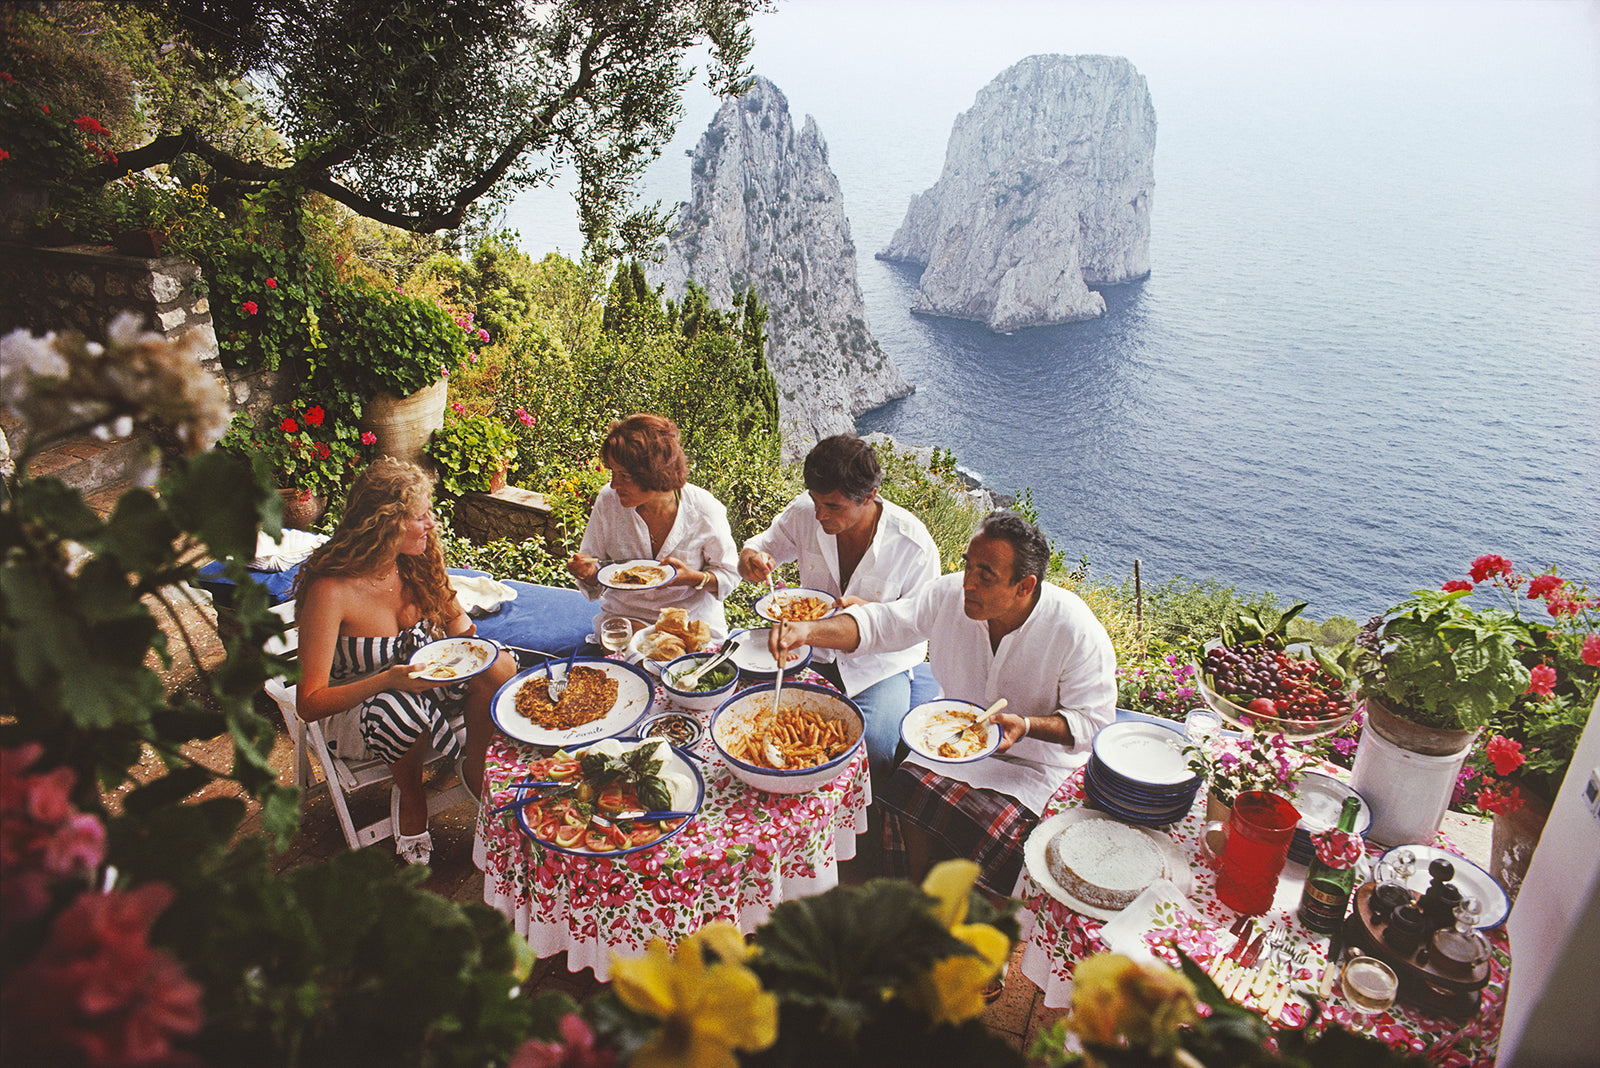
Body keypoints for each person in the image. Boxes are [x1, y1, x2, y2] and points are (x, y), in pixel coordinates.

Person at [771, 510, 1116, 898]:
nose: (968, 583)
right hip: (949, 739)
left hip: (1035, 766)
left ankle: (982, 916)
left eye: (986, 576)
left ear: (1025, 586)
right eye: (969, 566)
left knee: (1002, 835)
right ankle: (921, 895)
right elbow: (881, 625)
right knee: (905, 789)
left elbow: (1094, 724)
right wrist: (806, 631)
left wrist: (1027, 725)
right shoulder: (948, 595)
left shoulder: (1074, 631)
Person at [294, 458, 517, 865]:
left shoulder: (416, 560)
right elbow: (309, 702)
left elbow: (461, 629)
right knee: (401, 710)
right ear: (385, 523)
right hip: (357, 706)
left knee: (499, 666)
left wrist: (475, 653)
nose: (432, 524)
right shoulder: (331, 591)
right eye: (421, 516)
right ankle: (412, 797)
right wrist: (387, 681)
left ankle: (476, 767)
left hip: (419, 681)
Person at [738, 434, 940, 785]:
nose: (819, 515)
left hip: (878, 666)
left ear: (870, 496)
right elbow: (760, 546)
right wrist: (751, 560)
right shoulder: (805, 512)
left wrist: (872, 612)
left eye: (832, 507)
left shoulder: (913, 544)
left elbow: (919, 623)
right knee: (756, 722)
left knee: (873, 748)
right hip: (810, 653)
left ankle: (863, 832)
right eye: (815, 501)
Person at [567, 414, 740, 640]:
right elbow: (596, 565)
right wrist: (588, 573)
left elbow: (730, 575)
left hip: (689, 622)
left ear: (655, 473)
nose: (613, 484)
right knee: (634, 659)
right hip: (626, 618)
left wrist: (692, 577)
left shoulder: (705, 510)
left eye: (624, 475)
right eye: (612, 472)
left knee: (677, 662)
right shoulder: (608, 501)